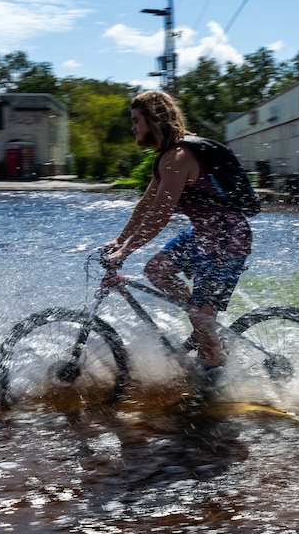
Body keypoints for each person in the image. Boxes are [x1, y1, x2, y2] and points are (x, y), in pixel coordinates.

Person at [105, 90, 253, 393]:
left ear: (153, 120)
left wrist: (125, 251)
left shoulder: (179, 157)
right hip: (202, 234)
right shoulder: (165, 158)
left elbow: (159, 215)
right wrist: (119, 240)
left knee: (200, 314)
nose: (132, 127)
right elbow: (145, 205)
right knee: (157, 271)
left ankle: (213, 384)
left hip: (226, 239)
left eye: (136, 121)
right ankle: (204, 325)